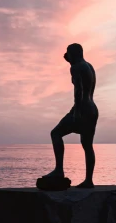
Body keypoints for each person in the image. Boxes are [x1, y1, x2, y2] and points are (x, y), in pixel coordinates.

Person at [42, 43, 98, 188]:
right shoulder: (89, 66)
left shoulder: (76, 67)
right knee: (87, 145)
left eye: (68, 53)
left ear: (73, 53)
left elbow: (78, 90)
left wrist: (76, 112)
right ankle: (88, 181)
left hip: (81, 109)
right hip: (92, 109)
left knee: (56, 133)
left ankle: (59, 170)